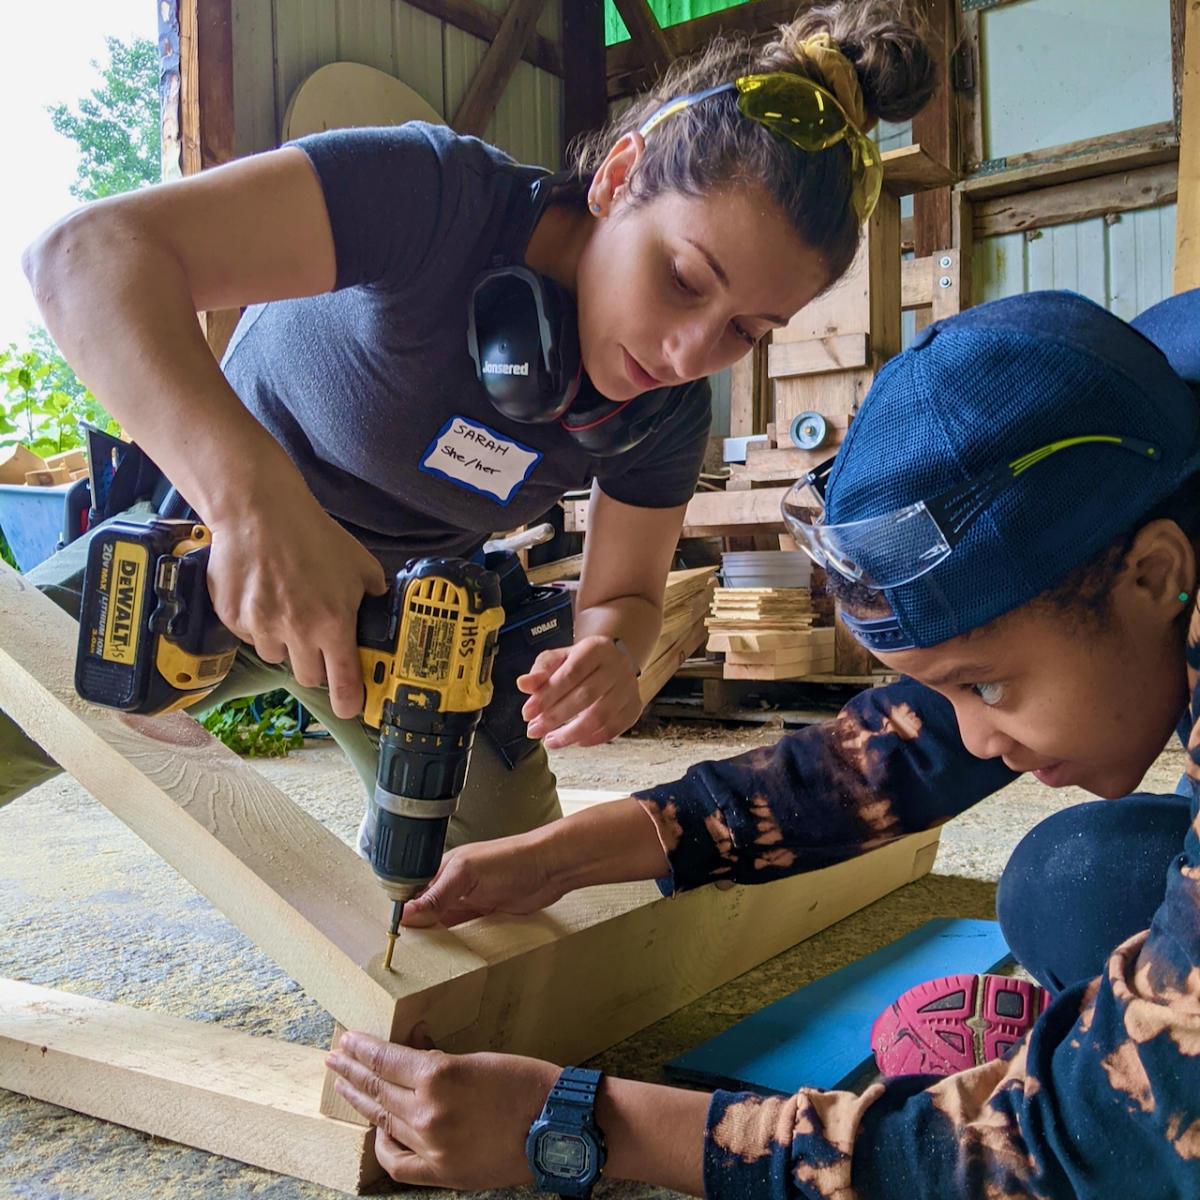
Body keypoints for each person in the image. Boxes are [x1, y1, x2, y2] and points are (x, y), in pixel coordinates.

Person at [324, 287, 1200, 1199]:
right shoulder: (1137, 443)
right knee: (1073, 888)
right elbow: (901, 750)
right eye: (947, 687)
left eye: (986, 683)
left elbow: (1106, 1141)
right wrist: (564, 858)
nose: (976, 734)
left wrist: (581, 1126)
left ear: (1156, 574)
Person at [5, 3, 936, 849]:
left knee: (491, 890)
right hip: (202, 536)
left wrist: (609, 655)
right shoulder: (435, 196)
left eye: (745, 331)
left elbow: (625, 600)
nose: (691, 350)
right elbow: (81, 258)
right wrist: (256, 506)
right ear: (618, 179)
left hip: (406, 624)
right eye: (685, 279)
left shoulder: (662, 410)